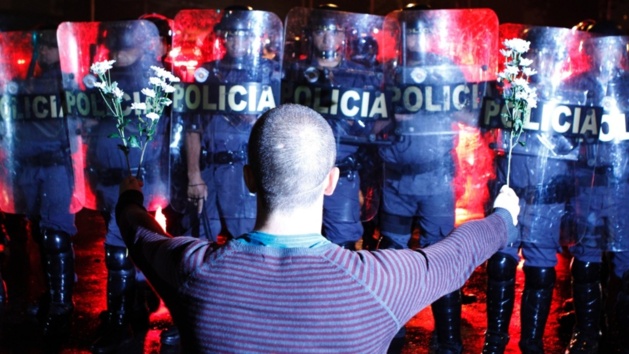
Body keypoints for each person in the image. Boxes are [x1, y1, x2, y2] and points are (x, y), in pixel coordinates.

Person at [114, 103, 520, 353]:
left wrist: (131, 198)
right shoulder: (376, 283)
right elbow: (455, 254)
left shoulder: (192, 270)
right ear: (330, 181)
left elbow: (139, 232)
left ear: (249, 179)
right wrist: (503, 218)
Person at [377, 7, 495, 352]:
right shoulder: (389, 72)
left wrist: (437, 104)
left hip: (435, 179)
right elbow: (371, 122)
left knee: (442, 255)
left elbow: (471, 114)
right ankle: (391, 328)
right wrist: (393, 115)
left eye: (421, 32)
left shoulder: (447, 70)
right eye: (410, 33)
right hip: (397, 178)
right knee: (393, 255)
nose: (415, 40)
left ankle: (448, 337)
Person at [68, 20, 168, 353]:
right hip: (108, 174)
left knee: (119, 248)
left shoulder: (155, 80)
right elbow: (87, 124)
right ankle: (132, 308)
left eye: (126, 47)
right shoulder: (103, 81)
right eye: (117, 47)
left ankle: (122, 318)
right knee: (122, 247)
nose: (120, 53)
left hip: (139, 176)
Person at [481, 25, 581, 354]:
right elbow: (486, 132)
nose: (549, 61)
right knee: (501, 264)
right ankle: (494, 341)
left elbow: (582, 145)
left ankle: (532, 343)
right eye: (543, 54)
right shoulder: (510, 91)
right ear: (532, 57)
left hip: (547, 199)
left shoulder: (573, 96)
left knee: (540, 272)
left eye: (555, 55)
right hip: (511, 194)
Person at [282, 6, 385, 249]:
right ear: (312, 36)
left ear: (343, 36)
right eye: (321, 31)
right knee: (295, 238)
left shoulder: (359, 75)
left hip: (343, 169)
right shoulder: (296, 73)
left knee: (343, 239)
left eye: (334, 31)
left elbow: (375, 122)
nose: (327, 38)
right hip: (301, 169)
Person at [7, 29, 79, 341]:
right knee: (40, 234)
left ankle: (62, 305)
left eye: (51, 47)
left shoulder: (67, 84)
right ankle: (53, 296)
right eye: (44, 47)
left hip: (56, 167)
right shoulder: (25, 84)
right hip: (30, 166)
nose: (47, 52)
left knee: (56, 236)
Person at [184, 7, 280, 241]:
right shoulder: (207, 73)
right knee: (198, 240)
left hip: (244, 168)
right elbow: (192, 128)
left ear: (253, 37)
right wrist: (194, 176)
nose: (237, 40)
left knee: (247, 239)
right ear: (223, 37)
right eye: (231, 34)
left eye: (244, 34)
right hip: (209, 168)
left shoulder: (269, 73)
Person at [562, 22, 629, 354]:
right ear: (588, 51)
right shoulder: (573, 87)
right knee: (586, 257)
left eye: (612, 47)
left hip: (623, 185)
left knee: (625, 258)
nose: (606, 53)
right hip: (586, 184)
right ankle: (587, 332)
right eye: (599, 46)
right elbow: (558, 139)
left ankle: (621, 331)